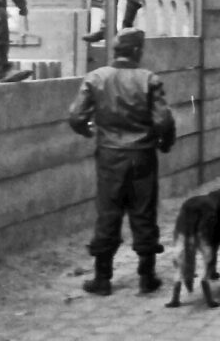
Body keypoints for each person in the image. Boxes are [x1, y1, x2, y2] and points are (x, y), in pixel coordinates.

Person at [67, 28, 176, 296]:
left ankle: (102, 278)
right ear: (137, 51)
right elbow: (163, 120)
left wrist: (89, 131)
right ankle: (146, 277)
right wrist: (164, 143)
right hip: (142, 156)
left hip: (109, 157)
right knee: (143, 212)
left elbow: (76, 116)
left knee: (108, 212)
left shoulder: (96, 78)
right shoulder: (149, 79)